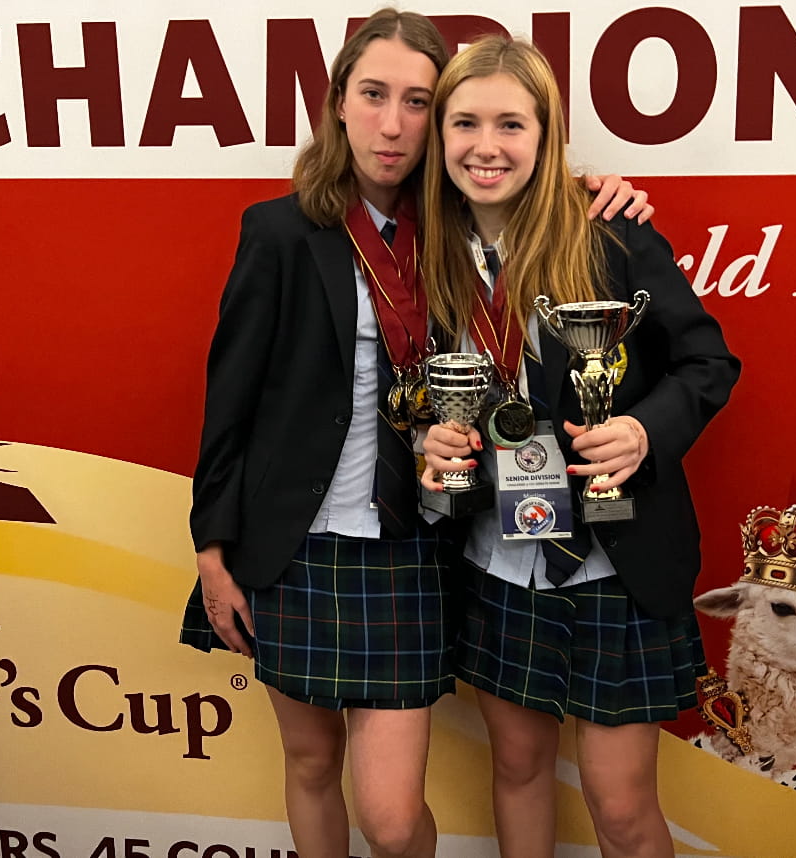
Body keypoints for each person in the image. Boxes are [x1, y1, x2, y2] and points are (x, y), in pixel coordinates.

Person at [178, 10, 653, 858]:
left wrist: (599, 193)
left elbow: (544, 217)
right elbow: (231, 401)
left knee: (393, 821)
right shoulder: (281, 232)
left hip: (411, 543)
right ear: (338, 103)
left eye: (418, 102)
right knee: (311, 760)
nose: (393, 124)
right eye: (373, 95)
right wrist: (212, 545)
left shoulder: (464, 230)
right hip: (290, 543)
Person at [420, 36, 740, 857]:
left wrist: (642, 430)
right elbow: (405, 387)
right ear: (439, 135)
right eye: (464, 122)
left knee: (623, 809)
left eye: (511, 123)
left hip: (615, 560)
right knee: (520, 773)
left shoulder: (610, 229)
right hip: (500, 557)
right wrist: (432, 434)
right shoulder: (417, 254)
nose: (486, 145)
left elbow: (709, 361)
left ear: (548, 133)